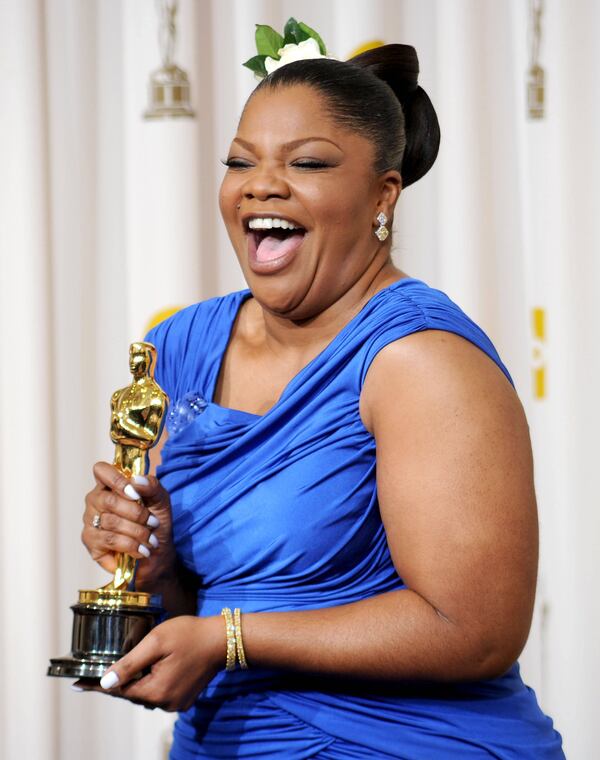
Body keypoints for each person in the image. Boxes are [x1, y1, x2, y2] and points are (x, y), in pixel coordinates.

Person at [79, 41, 565, 759]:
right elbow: (195, 609)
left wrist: (229, 640)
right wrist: (150, 569)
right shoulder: (176, 345)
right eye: (240, 162)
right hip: (224, 742)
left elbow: (476, 632)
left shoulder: (420, 360)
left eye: (305, 163)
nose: (261, 186)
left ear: (383, 195)